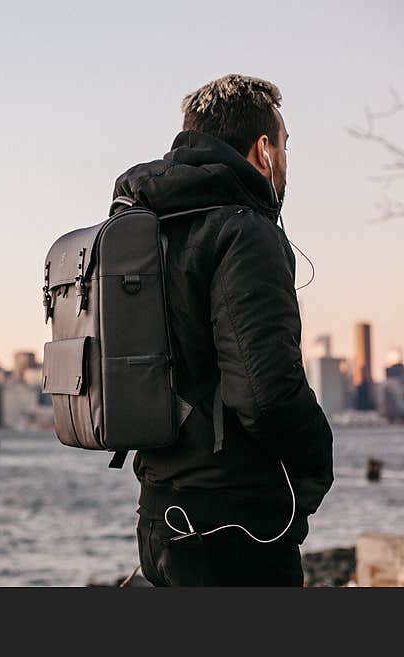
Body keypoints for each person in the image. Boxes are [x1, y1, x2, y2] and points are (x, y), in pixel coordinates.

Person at [113, 74, 334, 586]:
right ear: (264, 150)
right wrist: (315, 465)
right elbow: (264, 391)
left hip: (159, 514)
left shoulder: (147, 226)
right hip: (235, 524)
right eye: (285, 146)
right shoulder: (243, 230)